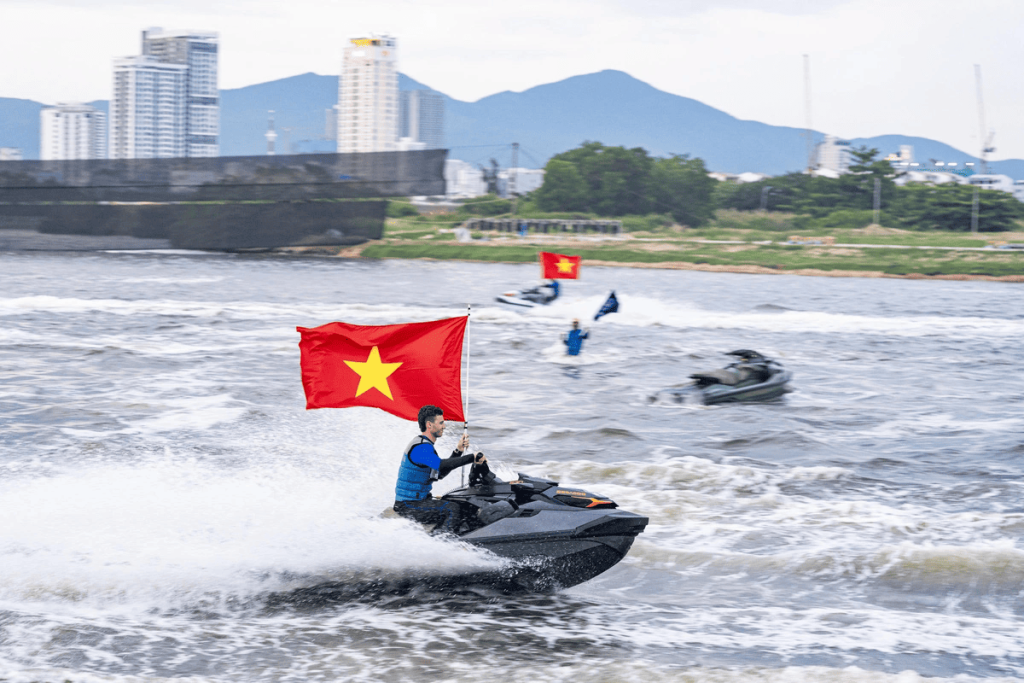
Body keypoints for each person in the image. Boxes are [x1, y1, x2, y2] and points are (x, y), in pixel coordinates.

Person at [393, 405, 486, 535]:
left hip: (420, 501)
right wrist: (472, 457)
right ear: (429, 425)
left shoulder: (426, 446)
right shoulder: (420, 448)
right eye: (441, 423)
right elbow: (442, 465)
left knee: (465, 506)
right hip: (408, 506)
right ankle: (442, 544)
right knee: (451, 509)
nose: (444, 426)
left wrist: (458, 451)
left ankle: (476, 540)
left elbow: (440, 474)